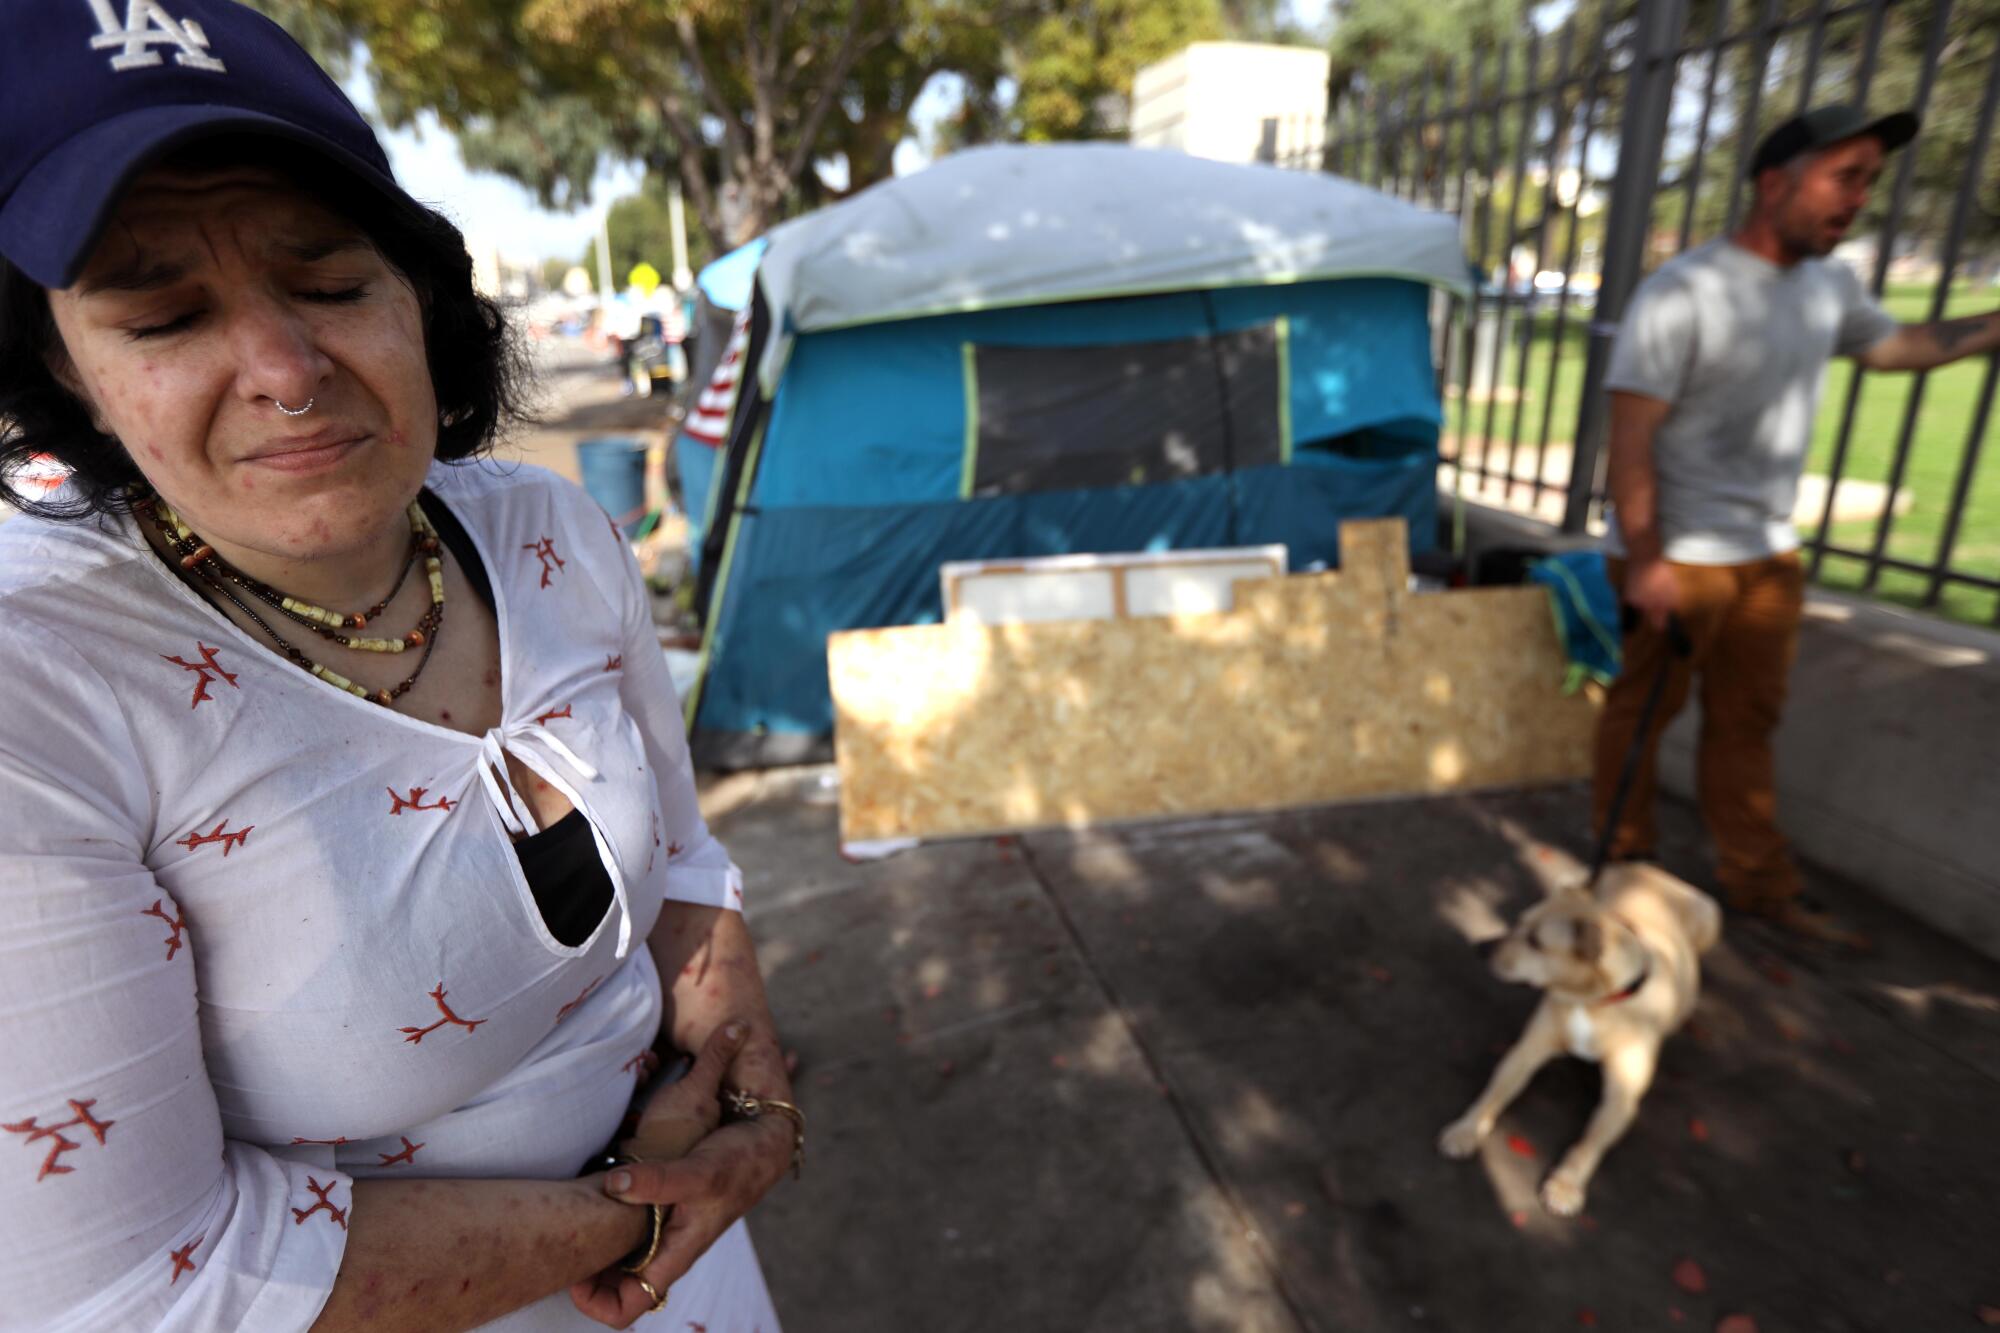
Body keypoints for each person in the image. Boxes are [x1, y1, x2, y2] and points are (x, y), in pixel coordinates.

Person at [0, 3, 798, 1328]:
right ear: (66, 373)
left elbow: (685, 865)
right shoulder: (42, 693)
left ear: (419, 294)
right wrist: (661, 1201)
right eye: (164, 315)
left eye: (329, 284)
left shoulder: (545, 528)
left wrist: (753, 1096)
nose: (287, 370)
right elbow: (129, 1285)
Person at [1596, 104, 2000, 949]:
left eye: (1869, 182)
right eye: (1844, 177)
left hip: (1768, 558)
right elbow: (1629, 438)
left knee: (1749, 725)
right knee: (1641, 716)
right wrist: (1646, 560)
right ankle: (1622, 870)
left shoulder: (1829, 285)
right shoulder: (1683, 293)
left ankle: (1757, 882)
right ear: (1775, 182)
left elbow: (1894, 348)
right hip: (1676, 556)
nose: (1859, 199)